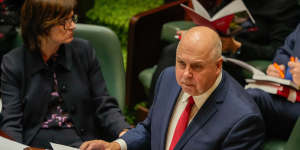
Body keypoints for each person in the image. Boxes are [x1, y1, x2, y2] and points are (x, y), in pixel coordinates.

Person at [80, 26, 265, 150]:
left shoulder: (243, 120)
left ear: (218, 66)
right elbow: (150, 129)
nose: (186, 75)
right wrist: (117, 146)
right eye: (181, 63)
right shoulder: (168, 78)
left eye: (197, 66)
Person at [0, 0, 130, 148]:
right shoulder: (13, 63)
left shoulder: (83, 51)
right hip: (36, 144)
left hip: (83, 141)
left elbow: (103, 103)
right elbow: (11, 121)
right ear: (41, 25)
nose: (73, 26)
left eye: (72, 18)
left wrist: (124, 132)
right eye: (64, 21)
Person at [149, 0, 300, 101]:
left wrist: (236, 46)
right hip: (212, 46)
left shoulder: (286, 6)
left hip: (239, 60)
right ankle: (156, 113)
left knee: (200, 66)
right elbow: (215, 17)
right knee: (172, 52)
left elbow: (275, 50)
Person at [247, 24, 300, 140]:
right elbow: (284, 52)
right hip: (285, 91)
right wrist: (279, 68)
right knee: (235, 93)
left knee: (252, 98)